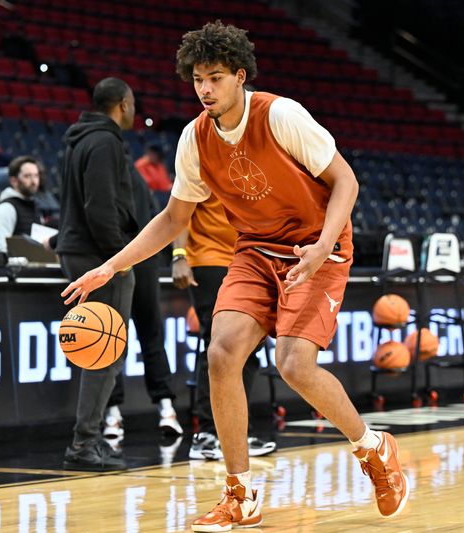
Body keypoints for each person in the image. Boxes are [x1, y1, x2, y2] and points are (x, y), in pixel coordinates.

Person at [61, 21, 408, 530]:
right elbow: (174, 219)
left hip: (316, 248)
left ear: (239, 76)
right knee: (221, 353)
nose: (205, 89)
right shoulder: (195, 139)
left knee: (294, 365)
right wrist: (111, 265)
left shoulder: (281, 115)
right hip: (254, 250)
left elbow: (345, 181)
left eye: (216, 77)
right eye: (198, 79)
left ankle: (373, 448)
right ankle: (240, 494)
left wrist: (323, 246)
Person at [57, 77, 138, 471]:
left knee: (95, 350)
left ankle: (88, 439)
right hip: (99, 256)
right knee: (104, 350)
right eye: (133, 104)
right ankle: (84, 442)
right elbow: (100, 207)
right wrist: (119, 259)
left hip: (75, 249)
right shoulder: (105, 142)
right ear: (122, 104)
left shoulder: (79, 139)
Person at [171, 196, 276, 461]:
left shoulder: (254, 164)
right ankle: (207, 433)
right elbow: (181, 211)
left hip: (248, 261)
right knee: (217, 345)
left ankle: (238, 432)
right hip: (209, 258)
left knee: (250, 347)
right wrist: (178, 255)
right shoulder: (205, 158)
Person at [101, 164, 183, 450]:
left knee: (114, 338)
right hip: (142, 257)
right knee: (150, 335)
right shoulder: (134, 174)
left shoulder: (104, 171)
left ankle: (114, 415)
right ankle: (166, 409)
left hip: (122, 257)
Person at [0, 156, 41, 255]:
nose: (34, 182)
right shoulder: (6, 208)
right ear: (14, 181)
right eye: (27, 176)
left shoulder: (34, 207)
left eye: (36, 176)